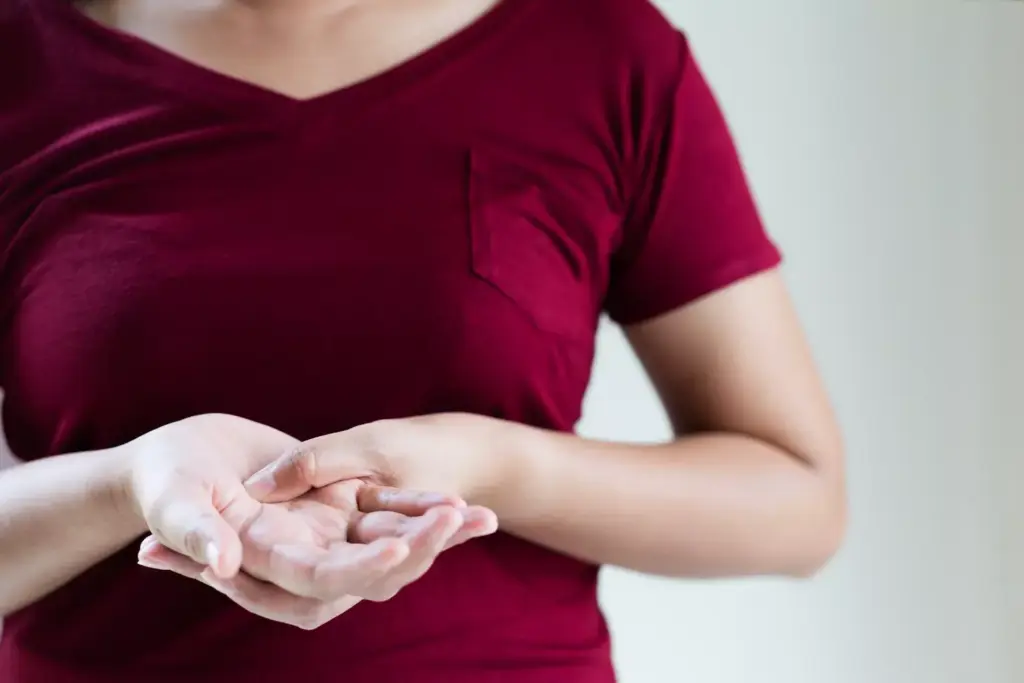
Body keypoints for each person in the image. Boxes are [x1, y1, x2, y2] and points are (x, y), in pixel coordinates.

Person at [0, 0, 848, 680]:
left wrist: (489, 465)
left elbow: (797, 502)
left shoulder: (605, 52)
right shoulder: (22, 60)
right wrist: (125, 483)